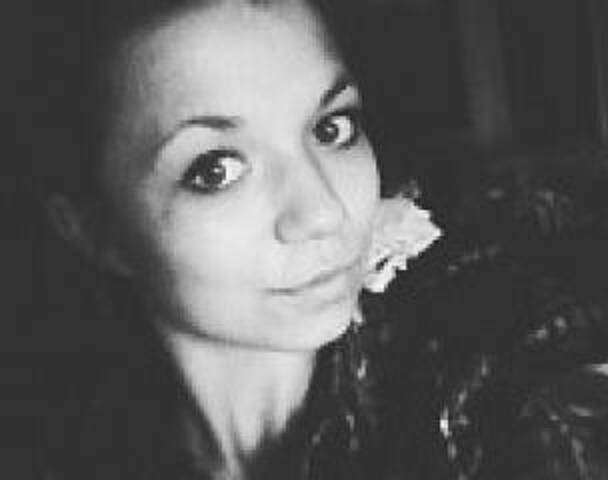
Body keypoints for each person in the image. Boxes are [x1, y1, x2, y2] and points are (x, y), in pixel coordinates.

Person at [10, 0, 435, 479]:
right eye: (216, 170)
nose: (323, 212)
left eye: (331, 128)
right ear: (96, 232)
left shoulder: (473, 402)